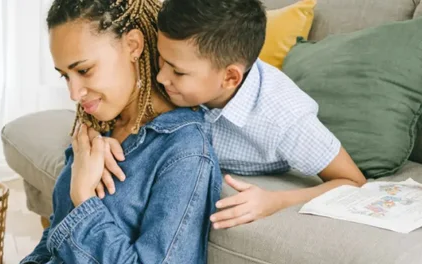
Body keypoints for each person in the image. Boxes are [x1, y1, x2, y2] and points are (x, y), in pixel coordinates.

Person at [97, 0, 367, 230]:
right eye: (160, 59)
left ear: (230, 77)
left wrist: (276, 201)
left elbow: (353, 181)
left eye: (177, 71)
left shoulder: (285, 118)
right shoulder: (178, 61)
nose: (160, 76)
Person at [20, 0, 222, 263]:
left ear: (133, 46)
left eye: (84, 70)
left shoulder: (185, 153)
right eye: (65, 76)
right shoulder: (96, 131)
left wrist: (83, 198)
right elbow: (52, 242)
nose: (74, 93)